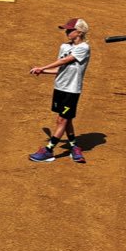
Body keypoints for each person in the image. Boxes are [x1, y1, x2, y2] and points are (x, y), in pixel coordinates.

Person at [29, 18, 91, 164]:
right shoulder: (64, 46)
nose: (67, 32)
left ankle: (48, 151)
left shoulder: (83, 48)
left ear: (80, 32)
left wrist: (43, 66)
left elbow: (65, 61)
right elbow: (60, 68)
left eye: (70, 30)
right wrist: (43, 72)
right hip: (60, 87)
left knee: (61, 120)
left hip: (72, 90)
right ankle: (74, 147)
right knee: (66, 119)